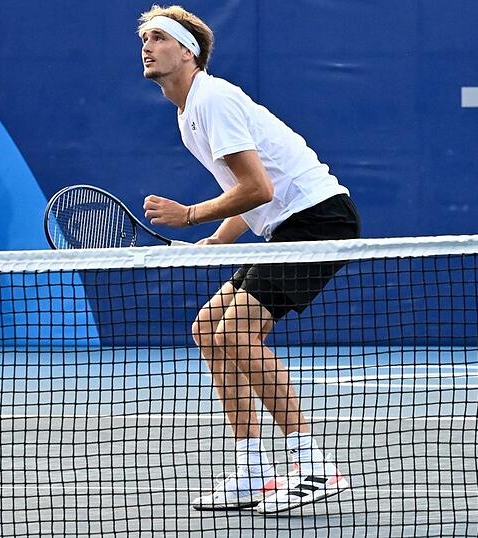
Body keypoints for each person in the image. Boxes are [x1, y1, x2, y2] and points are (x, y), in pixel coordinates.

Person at [137, 5, 359, 513]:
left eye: (158, 38)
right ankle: (254, 470)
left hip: (319, 219)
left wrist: (190, 214)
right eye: (143, 40)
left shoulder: (212, 99)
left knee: (236, 332)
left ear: (187, 51)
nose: (147, 47)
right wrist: (218, 239)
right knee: (208, 328)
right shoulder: (188, 113)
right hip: (287, 225)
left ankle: (313, 466)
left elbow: (259, 187)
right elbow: (249, 195)